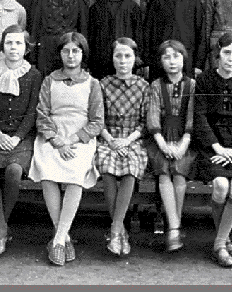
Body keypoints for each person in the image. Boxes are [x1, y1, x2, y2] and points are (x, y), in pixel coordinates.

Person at [28, 32, 104, 266]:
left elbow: (97, 121)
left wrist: (73, 139)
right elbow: (42, 115)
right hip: (52, 137)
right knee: (48, 174)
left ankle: (58, 239)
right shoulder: (50, 80)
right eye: (66, 51)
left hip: (79, 139)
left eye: (76, 51)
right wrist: (56, 140)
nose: (71, 56)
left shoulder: (92, 84)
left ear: (83, 54)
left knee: (74, 177)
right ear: (60, 54)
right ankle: (64, 237)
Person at [0, 25, 43, 258]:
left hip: (21, 137)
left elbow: (32, 112)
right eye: (9, 43)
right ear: (2, 46)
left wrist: (16, 137)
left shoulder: (34, 75)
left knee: (15, 171)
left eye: (18, 43)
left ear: (26, 48)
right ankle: (2, 229)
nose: (13, 48)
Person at [194, 32, 232, 268]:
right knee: (221, 185)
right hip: (213, 144)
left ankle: (219, 245)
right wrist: (218, 148)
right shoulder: (205, 81)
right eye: (227, 52)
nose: (231, 58)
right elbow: (200, 117)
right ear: (218, 54)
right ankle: (225, 241)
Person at [96, 38, 149, 257]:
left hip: (132, 139)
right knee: (107, 168)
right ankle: (120, 231)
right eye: (118, 56)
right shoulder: (103, 84)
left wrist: (127, 141)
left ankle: (116, 229)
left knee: (131, 168)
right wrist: (110, 140)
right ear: (112, 58)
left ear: (135, 59)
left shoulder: (143, 86)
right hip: (108, 137)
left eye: (128, 56)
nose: (123, 61)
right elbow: (97, 119)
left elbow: (145, 122)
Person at [147, 40, 196, 253]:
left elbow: (193, 118)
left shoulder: (192, 85)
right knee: (164, 172)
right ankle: (174, 226)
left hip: (186, 138)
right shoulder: (156, 86)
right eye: (166, 57)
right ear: (161, 61)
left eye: (176, 56)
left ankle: (173, 225)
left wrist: (183, 143)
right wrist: (162, 143)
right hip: (161, 138)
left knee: (179, 172)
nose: (172, 62)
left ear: (183, 58)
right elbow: (153, 117)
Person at [142, 0, 204, 83]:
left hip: (186, 60)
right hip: (159, 60)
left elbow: (201, 35)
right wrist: (147, 62)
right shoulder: (155, 2)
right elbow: (147, 34)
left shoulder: (194, 3)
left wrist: (198, 64)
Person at [29, 0, 88, 76]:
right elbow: (34, 32)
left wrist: (84, 63)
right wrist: (33, 61)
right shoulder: (40, 2)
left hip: (69, 54)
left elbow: (83, 34)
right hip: (45, 55)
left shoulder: (80, 3)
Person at [88, 0, 143, 80]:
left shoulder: (133, 8)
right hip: (101, 66)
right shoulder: (96, 8)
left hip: (126, 65)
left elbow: (138, 37)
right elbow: (91, 38)